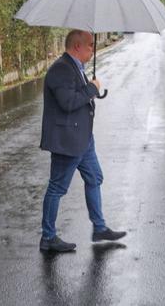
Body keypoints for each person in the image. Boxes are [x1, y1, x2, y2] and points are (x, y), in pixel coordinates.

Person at [39, 30, 127, 252]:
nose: (92, 49)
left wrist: (91, 89)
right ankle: (48, 238)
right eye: (90, 45)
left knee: (95, 177)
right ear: (77, 46)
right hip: (67, 141)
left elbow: (79, 97)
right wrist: (92, 89)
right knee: (57, 188)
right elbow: (68, 102)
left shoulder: (76, 68)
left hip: (84, 139)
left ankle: (99, 228)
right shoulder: (60, 69)